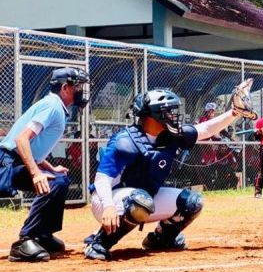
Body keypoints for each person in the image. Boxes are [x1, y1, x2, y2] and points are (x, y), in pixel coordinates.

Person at [83, 81, 254, 260]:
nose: (174, 116)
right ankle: (98, 243)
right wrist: (109, 207)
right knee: (140, 200)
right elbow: (102, 179)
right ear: (154, 115)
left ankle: (161, 238)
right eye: (168, 112)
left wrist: (234, 112)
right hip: (106, 200)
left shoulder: (170, 135)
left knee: (192, 202)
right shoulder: (125, 141)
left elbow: (204, 129)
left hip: (144, 198)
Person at [1, 67, 90, 262]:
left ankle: (42, 235)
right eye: (78, 86)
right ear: (65, 87)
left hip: (13, 160)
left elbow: (33, 147)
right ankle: (25, 240)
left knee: (59, 179)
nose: (81, 90)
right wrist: (36, 173)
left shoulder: (55, 106)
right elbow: (21, 140)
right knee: (53, 183)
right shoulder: (52, 106)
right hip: (5, 163)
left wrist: (49, 168)